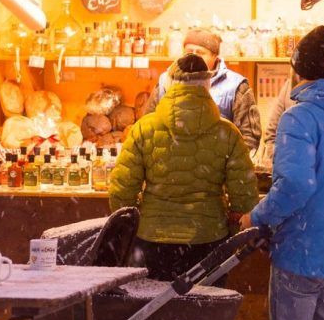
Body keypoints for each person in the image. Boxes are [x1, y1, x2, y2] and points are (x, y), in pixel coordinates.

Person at [240, 25, 324, 320]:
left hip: (300, 252)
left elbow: (295, 185)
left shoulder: (298, 117)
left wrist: (257, 217)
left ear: (299, 71)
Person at [109, 53, 258, 281]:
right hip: (207, 239)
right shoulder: (227, 133)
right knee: (203, 307)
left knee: (152, 310)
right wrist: (233, 228)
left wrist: (135, 224)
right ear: (207, 85)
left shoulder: (143, 129)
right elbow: (244, 196)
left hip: (152, 239)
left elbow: (122, 191)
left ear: (170, 84)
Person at [150, 28, 262, 165]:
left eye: (200, 52)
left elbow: (249, 135)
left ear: (215, 56)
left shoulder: (236, 86)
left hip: (216, 172)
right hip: (170, 168)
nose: (194, 56)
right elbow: (148, 125)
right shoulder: (164, 82)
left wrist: (232, 166)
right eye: (189, 52)